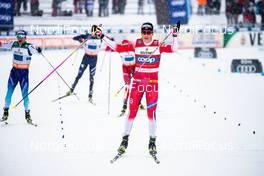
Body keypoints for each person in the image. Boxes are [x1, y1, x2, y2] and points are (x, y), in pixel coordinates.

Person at [94, 22, 179, 155]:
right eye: (144, 32)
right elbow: (116, 47)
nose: (146, 35)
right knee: (131, 112)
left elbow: (174, 49)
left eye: (148, 32)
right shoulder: (135, 44)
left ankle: (152, 142)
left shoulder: (158, 45)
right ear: (141, 33)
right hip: (137, 84)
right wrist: (101, 35)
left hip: (152, 84)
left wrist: (174, 35)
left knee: (151, 114)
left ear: (152, 33)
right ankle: (124, 140)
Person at [0, 30, 42, 124]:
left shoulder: (29, 47)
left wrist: (39, 50)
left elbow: (36, 51)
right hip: (14, 73)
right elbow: (2, 45)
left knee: (25, 96)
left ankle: (27, 114)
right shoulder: (13, 44)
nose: (19, 38)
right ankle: (5, 113)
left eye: (21, 36)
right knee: (8, 94)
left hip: (24, 74)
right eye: (18, 36)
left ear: (25, 37)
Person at [66, 25, 102, 104]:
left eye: (95, 32)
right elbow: (75, 38)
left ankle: (90, 96)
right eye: (93, 32)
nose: (93, 34)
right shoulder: (87, 36)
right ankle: (71, 89)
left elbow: (106, 38)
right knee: (79, 75)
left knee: (91, 78)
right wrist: (80, 39)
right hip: (86, 58)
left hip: (94, 59)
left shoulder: (100, 38)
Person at [115, 39, 145, 116]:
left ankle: (138, 102)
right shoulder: (120, 50)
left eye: (127, 46)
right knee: (127, 86)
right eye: (124, 47)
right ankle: (124, 105)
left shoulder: (133, 49)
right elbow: (112, 48)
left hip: (135, 67)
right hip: (126, 69)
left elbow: (141, 54)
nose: (126, 48)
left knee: (140, 85)